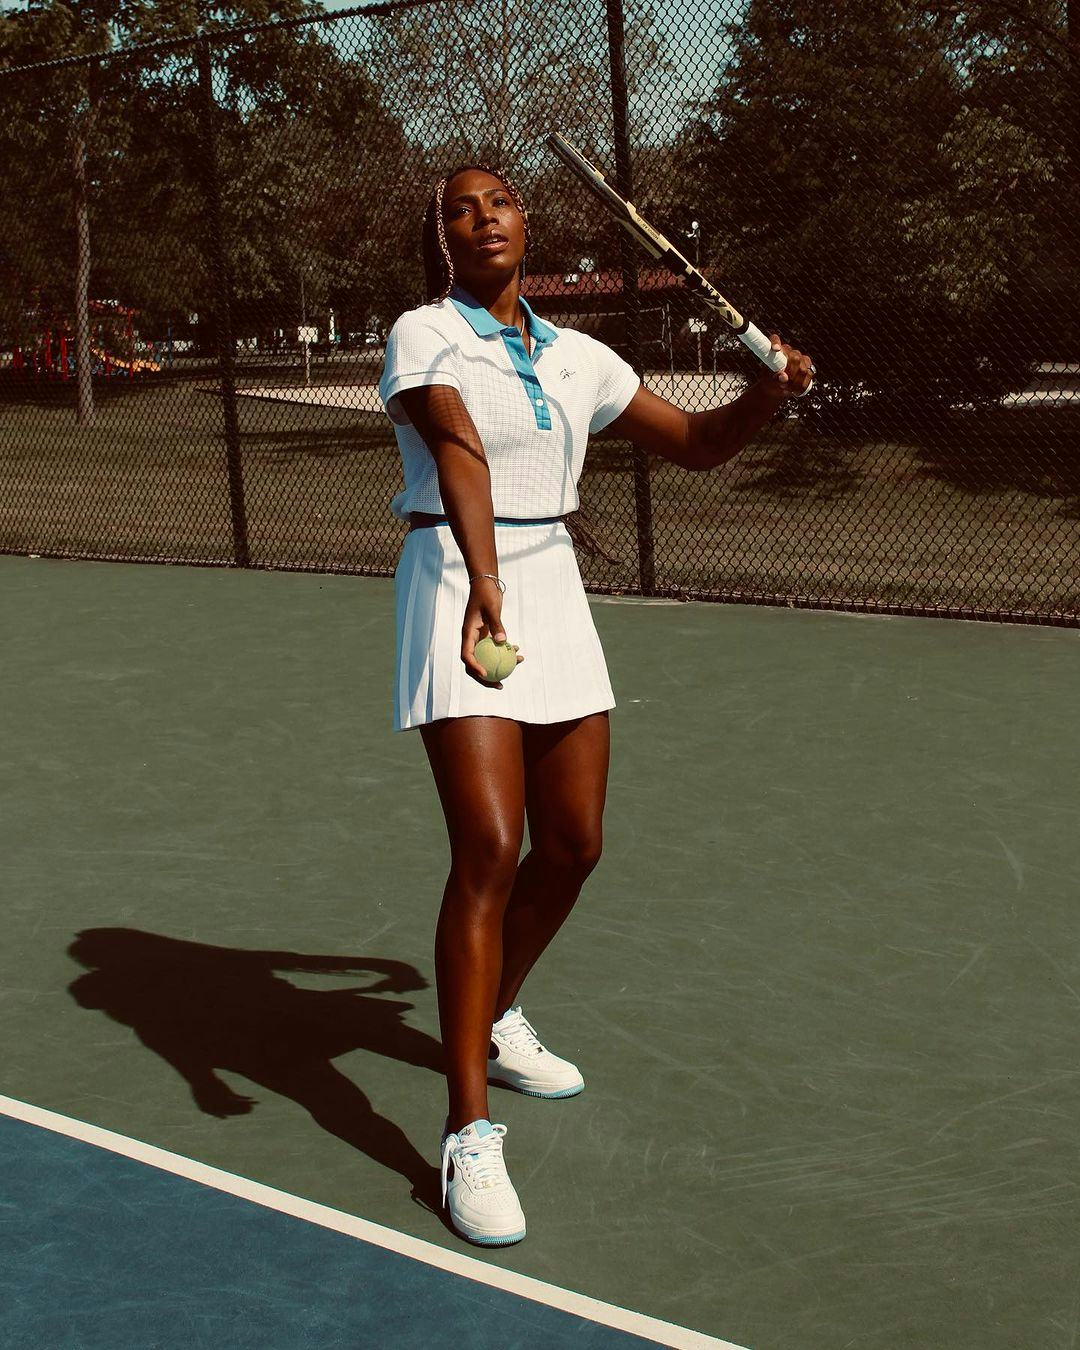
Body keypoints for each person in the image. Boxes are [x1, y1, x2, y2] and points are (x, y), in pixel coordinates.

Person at [378, 162, 813, 1247]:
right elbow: (458, 450)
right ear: (443, 237)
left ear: (526, 225)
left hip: (554, 588)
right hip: (457, 580)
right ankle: (467, 1131)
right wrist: (484, 580)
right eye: (460, 209)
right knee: (491, 845)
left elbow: (700, 446)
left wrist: (766, 393)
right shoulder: (424, 334)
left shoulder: (581, 357)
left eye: (498, 202)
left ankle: (493, 1013)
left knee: (573, 844)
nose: (483, 218)